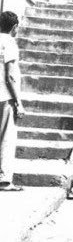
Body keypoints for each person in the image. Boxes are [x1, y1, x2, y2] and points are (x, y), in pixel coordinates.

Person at [0, 11, 24, 192]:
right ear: (14, 27)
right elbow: (9, 77)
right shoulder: (9, 43)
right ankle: (4, 180)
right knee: (7, 137)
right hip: (4, 96)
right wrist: (19, 102)